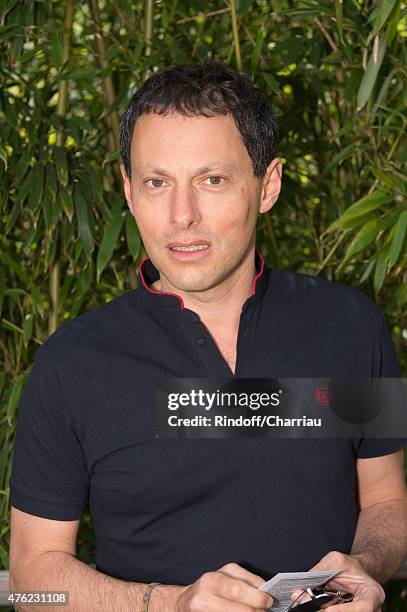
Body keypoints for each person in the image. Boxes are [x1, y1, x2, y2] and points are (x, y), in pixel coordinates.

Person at [8, 62, 407, 612]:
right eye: (157, 182)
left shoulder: (348, 325)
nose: (182, 216)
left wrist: (366, 563)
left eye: (211, 180)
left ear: (267, 185)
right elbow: (32, 580)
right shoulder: (71, 365)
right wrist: (170, 603)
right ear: (128, 191)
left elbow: (386, 499)